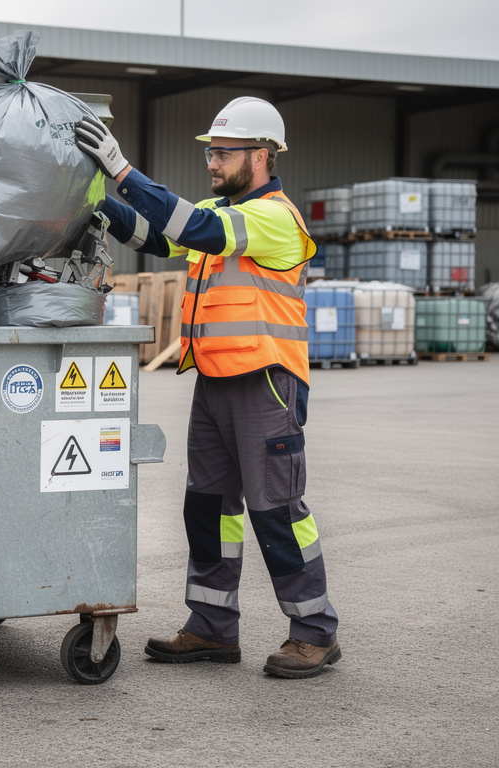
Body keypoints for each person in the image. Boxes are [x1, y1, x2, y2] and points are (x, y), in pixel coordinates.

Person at [75, 97, 340, 679]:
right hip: (216, 382)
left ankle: (315, 632)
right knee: (208, 510)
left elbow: (193, 227)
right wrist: (93, 202)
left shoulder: (273, 218)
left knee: (278, 513)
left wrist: (123, 170)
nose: (213, 161)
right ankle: (213, 628)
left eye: (223, 152)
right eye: (211, 152)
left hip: (267, 384)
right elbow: (157, 235)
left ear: (263, 155)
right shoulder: (223, 211)